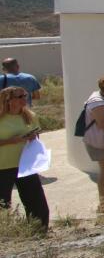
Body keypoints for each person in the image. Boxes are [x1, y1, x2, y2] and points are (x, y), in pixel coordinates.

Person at [0, 86, 49, 228]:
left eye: (25, 95)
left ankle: (40, 229)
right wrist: (11, 141)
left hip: (25, 165)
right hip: (3, 166)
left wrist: (32, 137)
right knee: (2, 203)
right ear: (8, 100)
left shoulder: (30, 116)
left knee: (36, 201)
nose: (24, 99)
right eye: (20, 96)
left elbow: (36, 134)